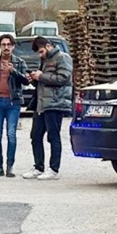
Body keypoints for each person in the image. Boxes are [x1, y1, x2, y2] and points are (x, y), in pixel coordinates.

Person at [22, 36, 73, 181]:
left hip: (56, 104)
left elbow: (63, 79)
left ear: (49, 46)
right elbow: (43, 83)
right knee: (35, 135)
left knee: (53, 136)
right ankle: (38, 167)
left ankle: (53, 169)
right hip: (42, 104)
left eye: (41, 51)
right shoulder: (44, 60)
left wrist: (41, 76)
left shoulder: (63, 58)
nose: (40, 54)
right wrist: (34, 79)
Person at [0, 34, 29, 178]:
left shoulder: (19, 62)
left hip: (13, 103)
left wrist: (13, 71)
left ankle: (10, 166)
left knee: (11, 134)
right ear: (0, 46)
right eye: (3, 45)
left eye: (8, 45)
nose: (6, 47)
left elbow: (26, 81)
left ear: (13, 46)